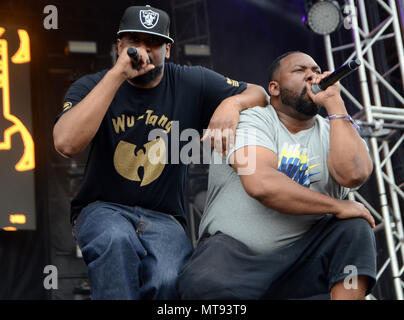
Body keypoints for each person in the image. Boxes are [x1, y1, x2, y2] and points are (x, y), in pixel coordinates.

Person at [52, 5, 268, 300]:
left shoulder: (192, 81)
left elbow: (260, 94)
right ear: (118, 45)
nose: (142, 51)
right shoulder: (91, 85)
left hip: (164, 216)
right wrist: (117, 75)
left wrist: (232, 104)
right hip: (103, 208)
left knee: (168, 279)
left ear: (168, 49)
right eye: (133, 42)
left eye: (152, 43)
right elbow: (65, 144)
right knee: (116, 241)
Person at [177, 51, 377, 300]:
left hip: (305, 261)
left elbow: (355, 175)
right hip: (237, 259)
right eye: (300, 70)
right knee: (202, 286)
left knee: (354, 228)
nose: (312, 76)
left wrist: (336, 104)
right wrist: (337, 206)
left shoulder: (336, 129)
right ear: (274, 88)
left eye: (316, 71)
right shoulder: (251, 119)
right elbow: (262, 185)